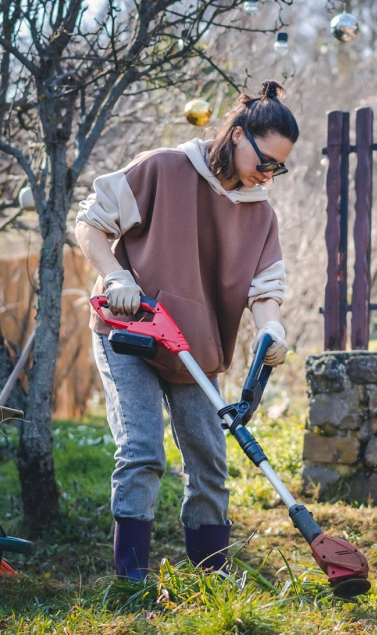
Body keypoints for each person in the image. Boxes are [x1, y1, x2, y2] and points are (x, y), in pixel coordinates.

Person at [74, 80, 298, 582]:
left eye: (279, 166)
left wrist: (273, 332)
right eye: (266, 160)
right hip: (129, 331)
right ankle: (131, 579)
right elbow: (90, 224)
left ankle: (211, 576)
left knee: (209, 461)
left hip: (195, 347)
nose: (270, 173)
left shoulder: (259, 211)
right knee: (142, 451)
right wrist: (116, 276)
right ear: (238, 135)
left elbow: (265, 290)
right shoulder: (165, 168)